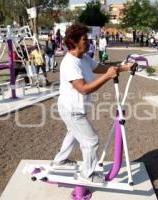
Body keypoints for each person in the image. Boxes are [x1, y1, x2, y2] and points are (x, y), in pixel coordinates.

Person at [51, 24, 134, 183]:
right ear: (73, 42)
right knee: (91, 140)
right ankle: (87, 175)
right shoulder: (70, 63)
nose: (88, 42)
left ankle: (60, 160)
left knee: (74, 134)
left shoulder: (84, 57)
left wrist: (124, 68)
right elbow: (83, 89)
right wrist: (108, 77)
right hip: (72, 109)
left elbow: (101, 68)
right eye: (84, 39)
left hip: (76, 108)